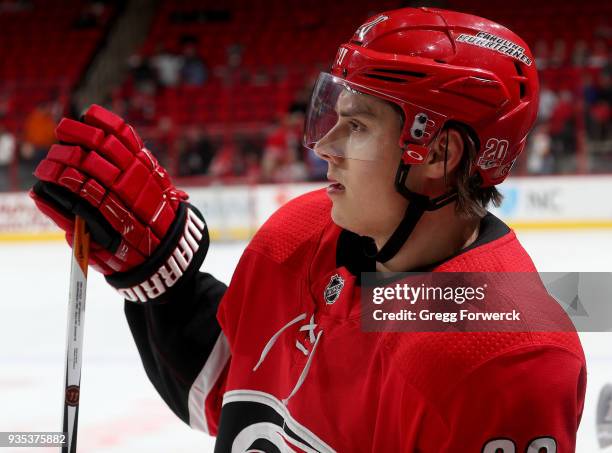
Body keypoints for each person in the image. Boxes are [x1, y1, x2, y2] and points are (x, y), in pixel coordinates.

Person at [30, 7, 585, 452]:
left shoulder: (508, 360)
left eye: (359, 125)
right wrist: (162, 280)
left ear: (439, 151)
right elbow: (235, 399)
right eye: (334, 116)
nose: (325, 147)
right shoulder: (299, 232)